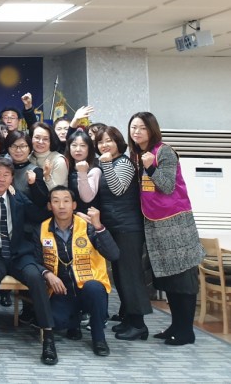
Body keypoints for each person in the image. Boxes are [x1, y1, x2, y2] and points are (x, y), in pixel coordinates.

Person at [0, 156, 58, 366]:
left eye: (6, 175)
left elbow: (38, 214)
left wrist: (43, 187)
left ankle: (48, 338)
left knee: (35, 276)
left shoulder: (17, 197)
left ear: (12, 178)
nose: (1, 178)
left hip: (18, 253)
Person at [128, 112, 205, 345]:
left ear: (152, 129)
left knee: (183, 278)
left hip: (175, 224)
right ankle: (175, 326)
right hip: (155, 224)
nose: (137, 132)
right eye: (133, 127)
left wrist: (150, 167)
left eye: (142, 127)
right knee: (170, 278)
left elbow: (167, 186)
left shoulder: (164, 152)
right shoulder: (137, 154)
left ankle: (186, 331)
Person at [38, 186, 119, 357]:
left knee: (94, 289)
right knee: (55, 321)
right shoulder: (42, 229)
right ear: (49, 206)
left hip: (88, 287)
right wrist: (47, 274)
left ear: (74, 205)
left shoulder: (88, 226)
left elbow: (113, 254)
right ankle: (73, 322)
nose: (61, 206)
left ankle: (99, 338)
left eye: (66, 201)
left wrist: (99, 226)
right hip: (62, 290)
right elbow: (35, 260)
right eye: (56, 201)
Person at [96, 125, 152, 339]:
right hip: (115, 226)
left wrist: (106, 163)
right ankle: (129, 318)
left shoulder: (124, 163)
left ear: (118, 142)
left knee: (130, 275)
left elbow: (117, 189)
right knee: (120, 276)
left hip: (128, 228)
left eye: (109, 140)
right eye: (101, 141)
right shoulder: (107, 163)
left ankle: (139, 324)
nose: (104, 145)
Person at [65, 130, 101, 214]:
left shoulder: (95, 170)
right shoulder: (66, 167)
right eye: (74, 145)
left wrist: (82, 173)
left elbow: (87, 198)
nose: (78, 149)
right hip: (70, 214)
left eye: (83, 145)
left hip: (88, 216)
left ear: (89, 148)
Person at [29, 122, 68, 191]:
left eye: (45, 139)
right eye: (37, 137)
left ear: (51, 141)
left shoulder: (58, 160)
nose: (40, 142)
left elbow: (57, 191)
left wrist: (47, 177)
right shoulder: (28, 157)